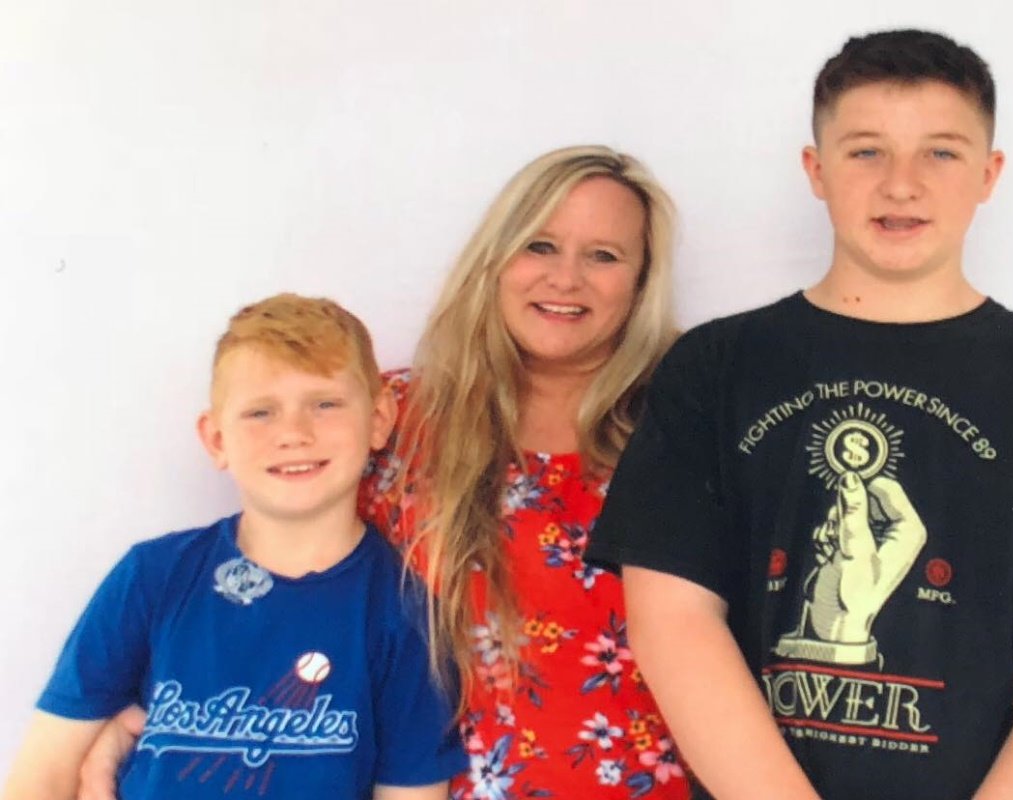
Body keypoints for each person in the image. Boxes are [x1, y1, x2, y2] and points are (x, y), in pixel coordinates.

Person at [586, 29, 1013, 800]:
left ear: (989, 173)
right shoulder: (714, 367)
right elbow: (673, 622)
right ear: (816, 169)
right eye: (866, 151)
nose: (901, 184)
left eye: (940, 152)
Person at [74, 146, 692, 800]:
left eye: (604, 255)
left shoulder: (681, 443)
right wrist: (152, 721)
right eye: (540, 245)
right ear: (496, 259)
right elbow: (284, 589)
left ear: (641, 281)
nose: (565, 278)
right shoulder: (393, 423)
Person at [4, 294, 466, 800]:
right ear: (216, 439)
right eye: (260, 412)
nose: (293, 433)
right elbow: (41, 775)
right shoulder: (153, 578)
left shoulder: (406, 612)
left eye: (325, 404)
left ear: (378, 419)